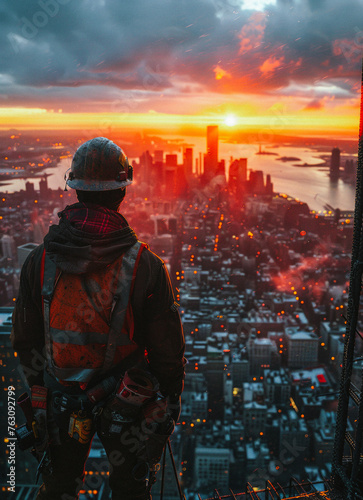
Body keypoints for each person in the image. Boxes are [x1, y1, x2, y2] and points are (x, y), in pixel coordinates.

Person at [11, 137, 185, 500]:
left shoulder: (40, 260)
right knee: (130, 489)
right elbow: (167, 350)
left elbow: (25, 340)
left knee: (58, 487)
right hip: (127, 399)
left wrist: (41, 388)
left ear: (75, 190)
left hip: (60, 397)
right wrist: (168, 401)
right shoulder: (145, 265)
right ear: (122, 190)